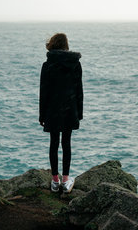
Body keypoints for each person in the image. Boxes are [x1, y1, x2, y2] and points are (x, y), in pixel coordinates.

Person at [39, 33, 83, 193]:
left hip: (52, 109)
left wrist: (42, 115)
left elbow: (44, 92)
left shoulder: (47, 65)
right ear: (66, 45)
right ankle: (66, 180)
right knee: (66, 143)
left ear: (52, 45)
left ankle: (55, 181)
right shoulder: (75, 64)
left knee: (53, 143)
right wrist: (79, 113)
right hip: (70, 108)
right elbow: (79, 90)